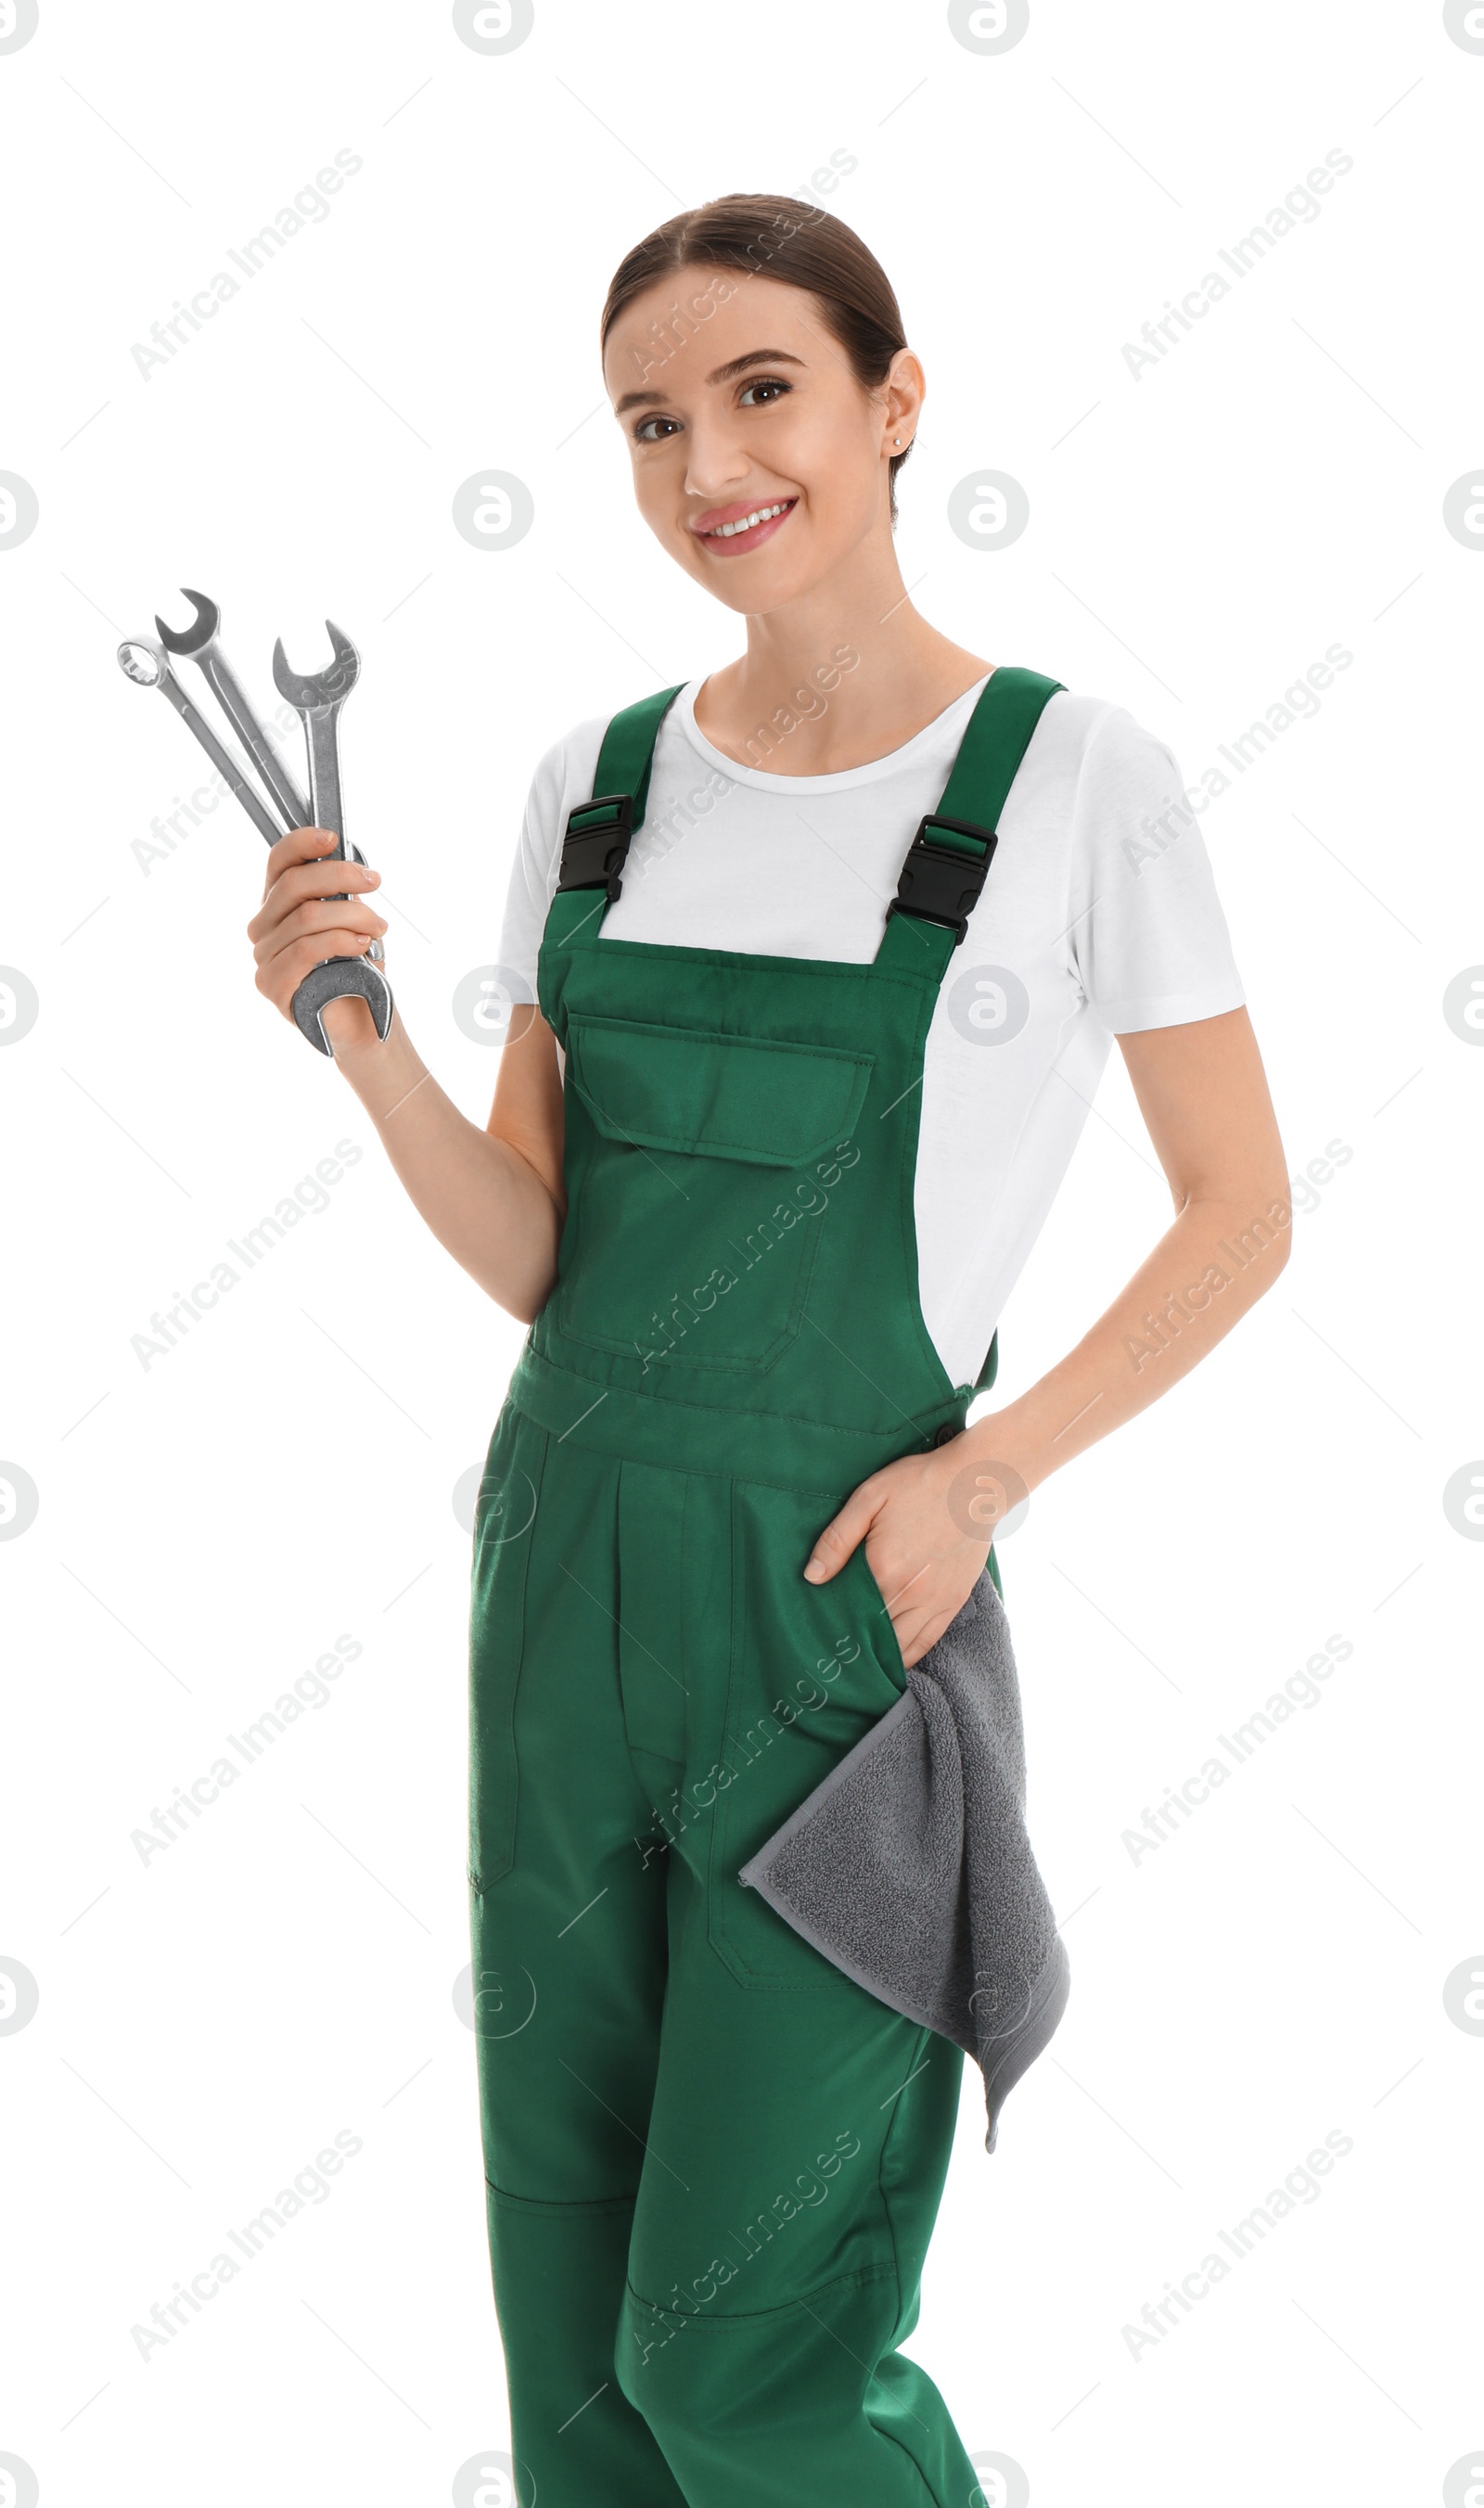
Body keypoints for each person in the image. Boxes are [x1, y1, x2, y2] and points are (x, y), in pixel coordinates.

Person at [248, 194, 1290, 2508]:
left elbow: (1245, 1214)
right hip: (560, 1581)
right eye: (648, 420)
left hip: (829, 1607)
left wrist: (985, 1472)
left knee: (750, 2351)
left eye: (758, 391)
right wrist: (358, 1042)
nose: (704, 460)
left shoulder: (1066, 780)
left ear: (890, 407)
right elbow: (539, 1249)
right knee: (583, 2359)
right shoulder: (596, 785)